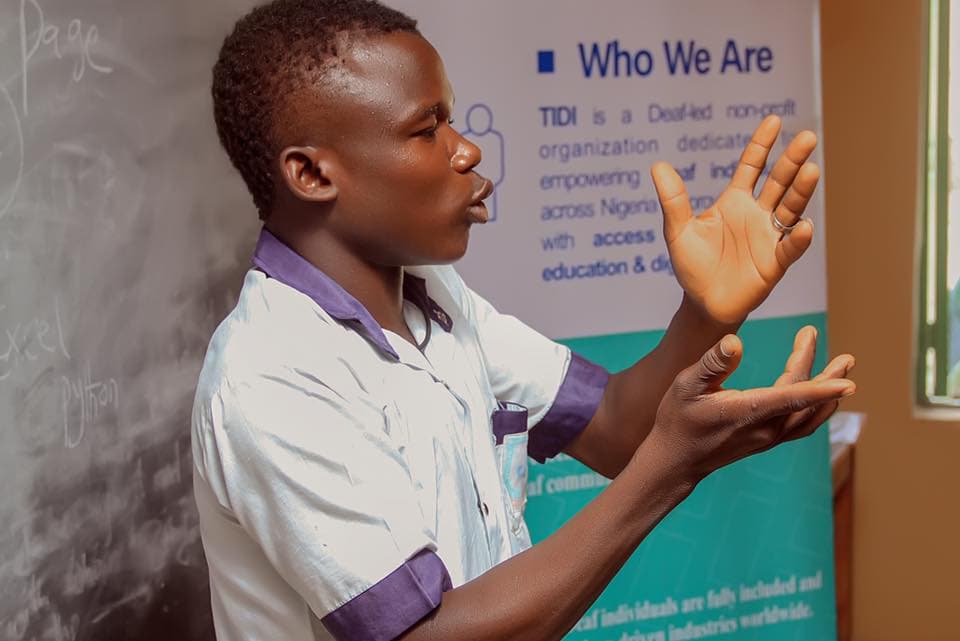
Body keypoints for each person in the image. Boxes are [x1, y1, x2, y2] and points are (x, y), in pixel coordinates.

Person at [192, 1, 856, 640]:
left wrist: (707, 311)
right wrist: (670, 468)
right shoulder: (271, 375)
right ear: (311, 173)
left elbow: (618, 427)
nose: (467, 151)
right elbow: (427, 634)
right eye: (428, 129)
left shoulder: (437, 297)